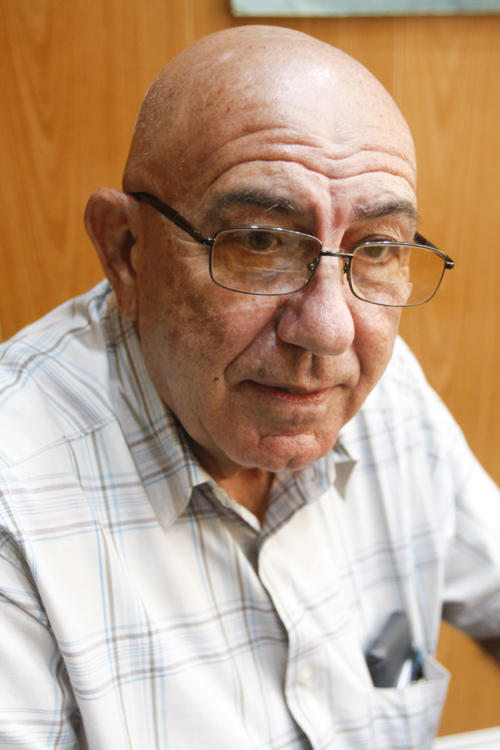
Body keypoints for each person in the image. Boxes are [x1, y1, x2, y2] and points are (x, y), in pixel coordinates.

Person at [0, 24, 498, 750]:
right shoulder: (16, 504)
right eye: (261, 241)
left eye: (378, 249)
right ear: (125, 251)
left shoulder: (383, 396)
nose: (328, 330)